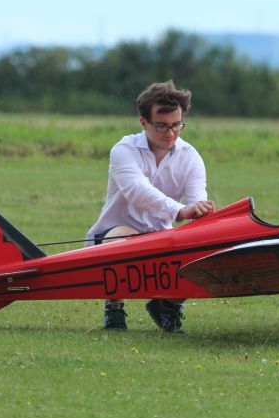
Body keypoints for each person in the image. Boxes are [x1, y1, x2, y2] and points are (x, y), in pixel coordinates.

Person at [85, 80, 215, 333]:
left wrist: (200, 211)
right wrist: (179, 211)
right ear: (143, 122)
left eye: (177, 125)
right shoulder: (124, 149)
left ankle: (168, 307)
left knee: (201, 248)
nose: (170, 133)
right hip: (114, 233)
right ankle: (114, 310)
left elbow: (197, 200)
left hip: (161, 236)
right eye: (162, 126)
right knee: (122, 240)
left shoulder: (191, 157)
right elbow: (137, 190)